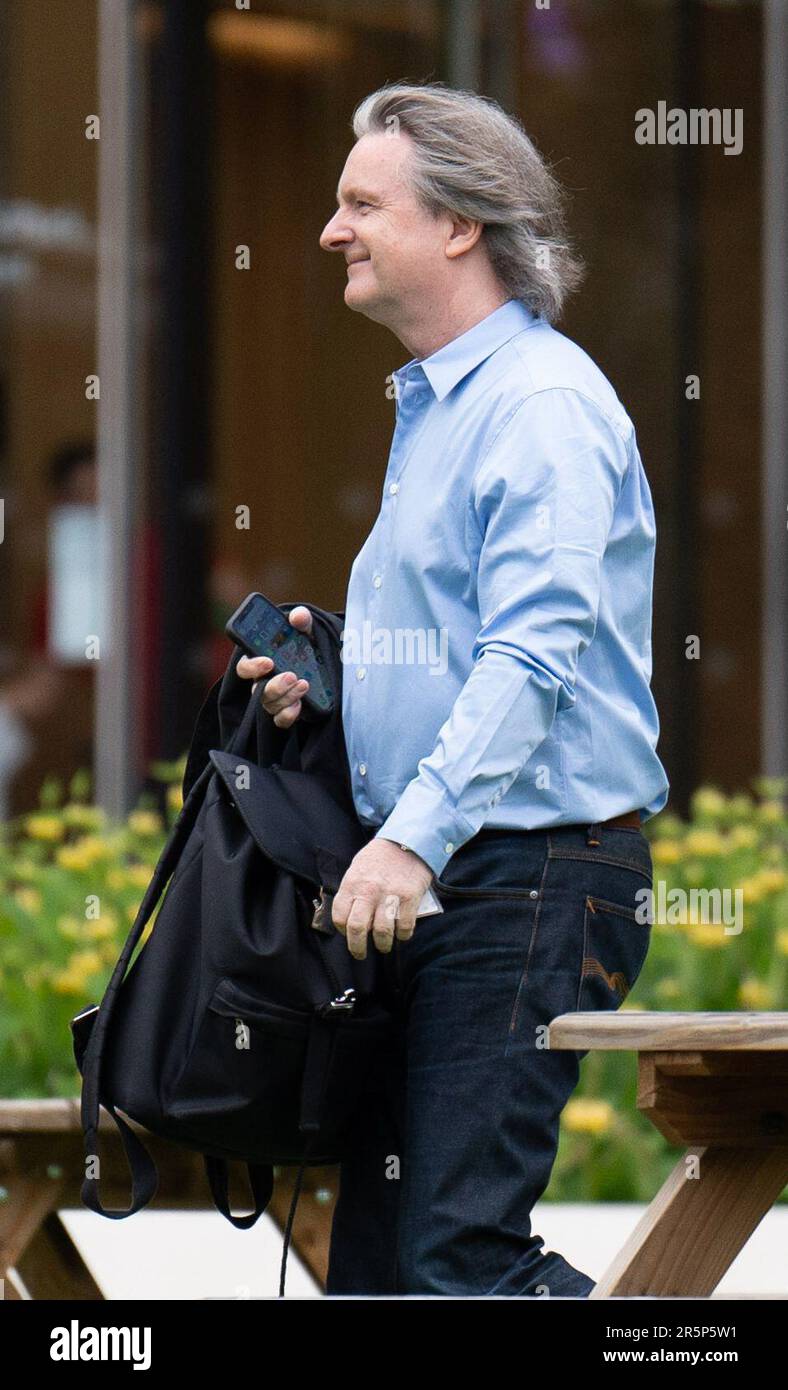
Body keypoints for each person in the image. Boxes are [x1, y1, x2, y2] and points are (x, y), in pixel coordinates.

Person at [236, 81, 670, 1297]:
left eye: (360, 203)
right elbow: (473, 645)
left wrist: (408, 841)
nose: (332, 230)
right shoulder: (439, 406)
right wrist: (336, 687)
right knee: (377, 1271)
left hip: (523, 878)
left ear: (460, 224)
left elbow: (532, 659)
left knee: (455, 1266)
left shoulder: (535, 405)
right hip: (454, 879)